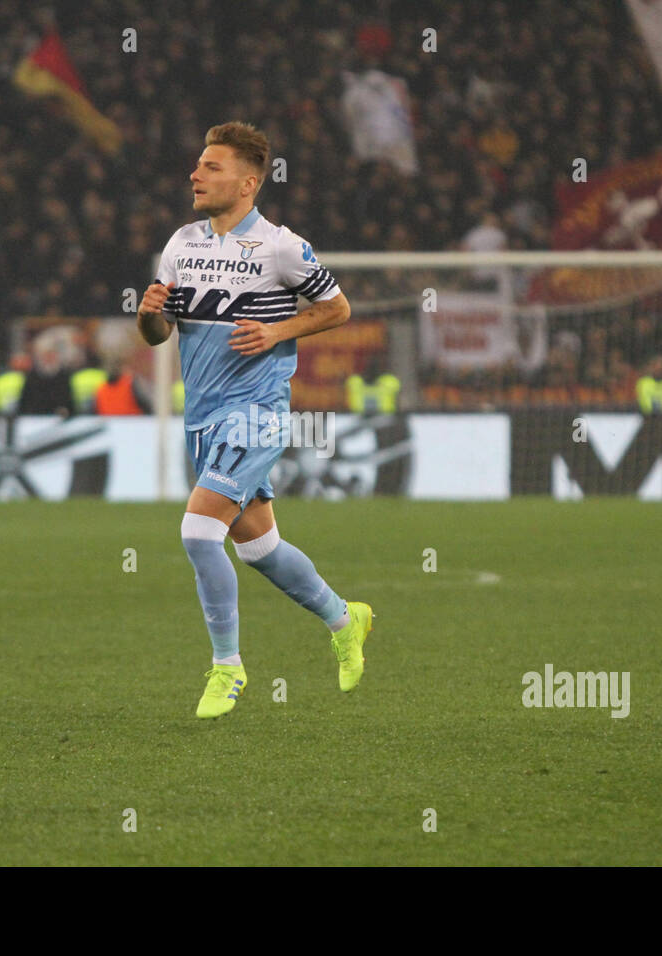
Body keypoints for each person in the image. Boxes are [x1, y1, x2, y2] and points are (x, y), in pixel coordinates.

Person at [137, 121, 373, 719]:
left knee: (197, 532)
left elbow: (338, 308)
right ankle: (346, 620)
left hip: (257, 413)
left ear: (248, 182)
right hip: (204, 417)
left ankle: (227, 669)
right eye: (197, 164)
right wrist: (149, 316)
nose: (195, 174)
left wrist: (277, 330)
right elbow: (159, 334)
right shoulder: (181, 244)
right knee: (260, 547)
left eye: (210, 167)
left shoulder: (281, 247)